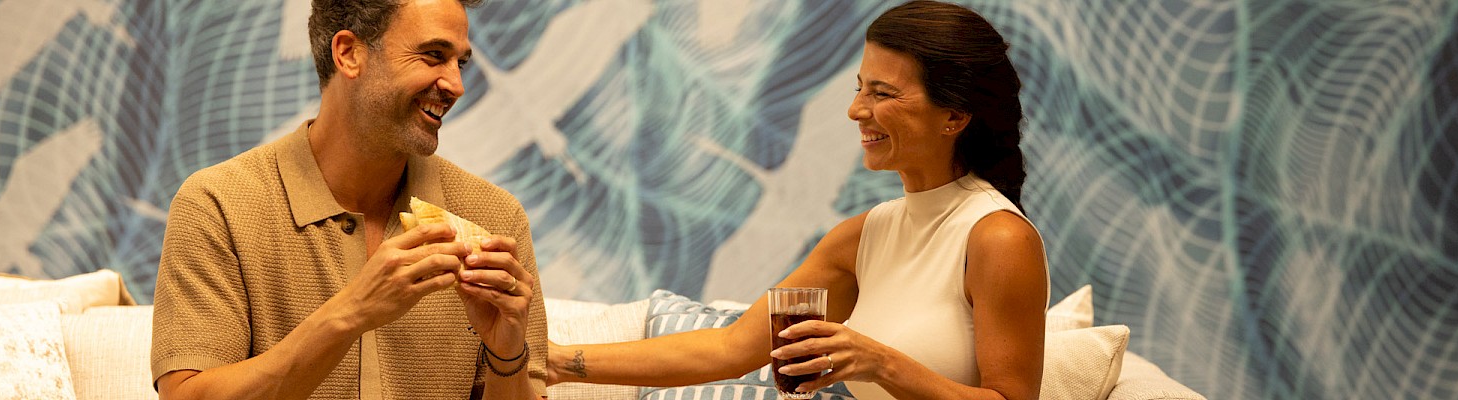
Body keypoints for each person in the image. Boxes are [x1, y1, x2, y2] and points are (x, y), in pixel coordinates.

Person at [546, 1, 1047, 399]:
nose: (855, 110)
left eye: (882, 93)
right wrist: (555, 362)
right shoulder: (862, 237)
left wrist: (882, 362)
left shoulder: (998, 238)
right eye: (859, 89)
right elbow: (728, 347)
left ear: (955, 117)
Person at [150, 0, 548, 398]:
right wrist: (351, 312)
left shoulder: (496, 217)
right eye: (433, 56)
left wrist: (507, 356)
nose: (456, 86)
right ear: (348, 53)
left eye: (459, 63)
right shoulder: (217, 205)